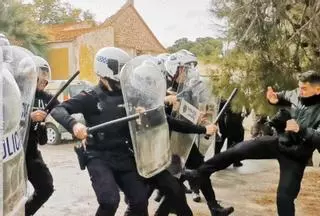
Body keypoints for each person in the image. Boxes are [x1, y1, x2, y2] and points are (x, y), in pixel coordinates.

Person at [185, 70, 320, 216]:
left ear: (318, 89)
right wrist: (273, 99)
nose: (300, 91)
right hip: (279, 141)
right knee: (238, 150)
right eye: (299, 87)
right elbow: (283, 96)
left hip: (297, 155)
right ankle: (198, 173)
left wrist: (301, 130)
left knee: (284, 197)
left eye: (304, 89)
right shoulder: (296, 93)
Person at [50, 47, 149, 216]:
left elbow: (148, 114)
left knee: (140, 200)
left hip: (124, 155)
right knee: (109, 201)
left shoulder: (129, 95)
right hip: (98, 156)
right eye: (121, 69)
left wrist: (142, 114)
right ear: (106, 70)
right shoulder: (90, 96)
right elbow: (58, 110)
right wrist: (74, 125)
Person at [155, 50, 234, 216]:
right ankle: (160, 209)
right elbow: (173, 122)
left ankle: (214, 207)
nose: (190, 72)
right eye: (187, 68)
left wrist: (202, 119)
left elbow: (185, 110)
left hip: (184, 140)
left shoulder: (184, 88)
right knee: (175, 180)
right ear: (177, 69)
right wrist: (203, 128)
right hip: (168, 143)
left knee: (200, 169)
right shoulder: (163, 88)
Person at [25, 56, 58, 216]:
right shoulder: (18, 92)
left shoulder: (47, 98)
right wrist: (29, 117)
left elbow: (63, 110)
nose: (44, 81)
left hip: (31, 151)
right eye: (40, 76)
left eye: (46, 78)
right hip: (12, 151)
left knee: (46, 187)